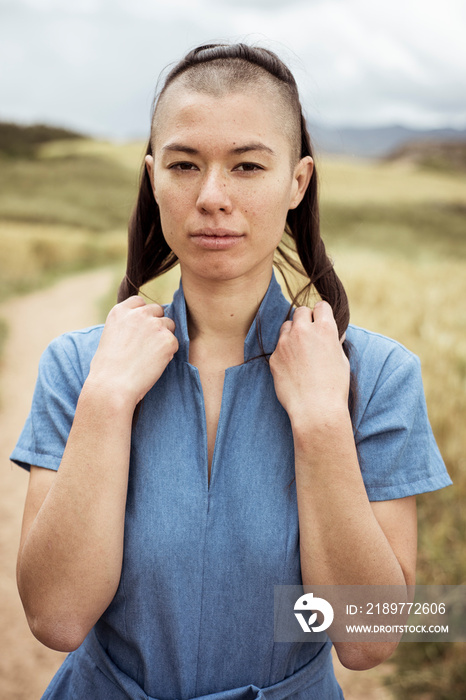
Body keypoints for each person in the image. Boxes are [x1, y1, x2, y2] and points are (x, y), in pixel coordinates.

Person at [11, 43, 452, 699]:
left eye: (247, 165)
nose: (213, 196)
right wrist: (105, 404)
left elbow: (367, 638)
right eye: (185, 164)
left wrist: (323, 423)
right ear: (152, 176)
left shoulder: (379, 375)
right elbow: (56, 618)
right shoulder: (80, 366)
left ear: (297, 181)